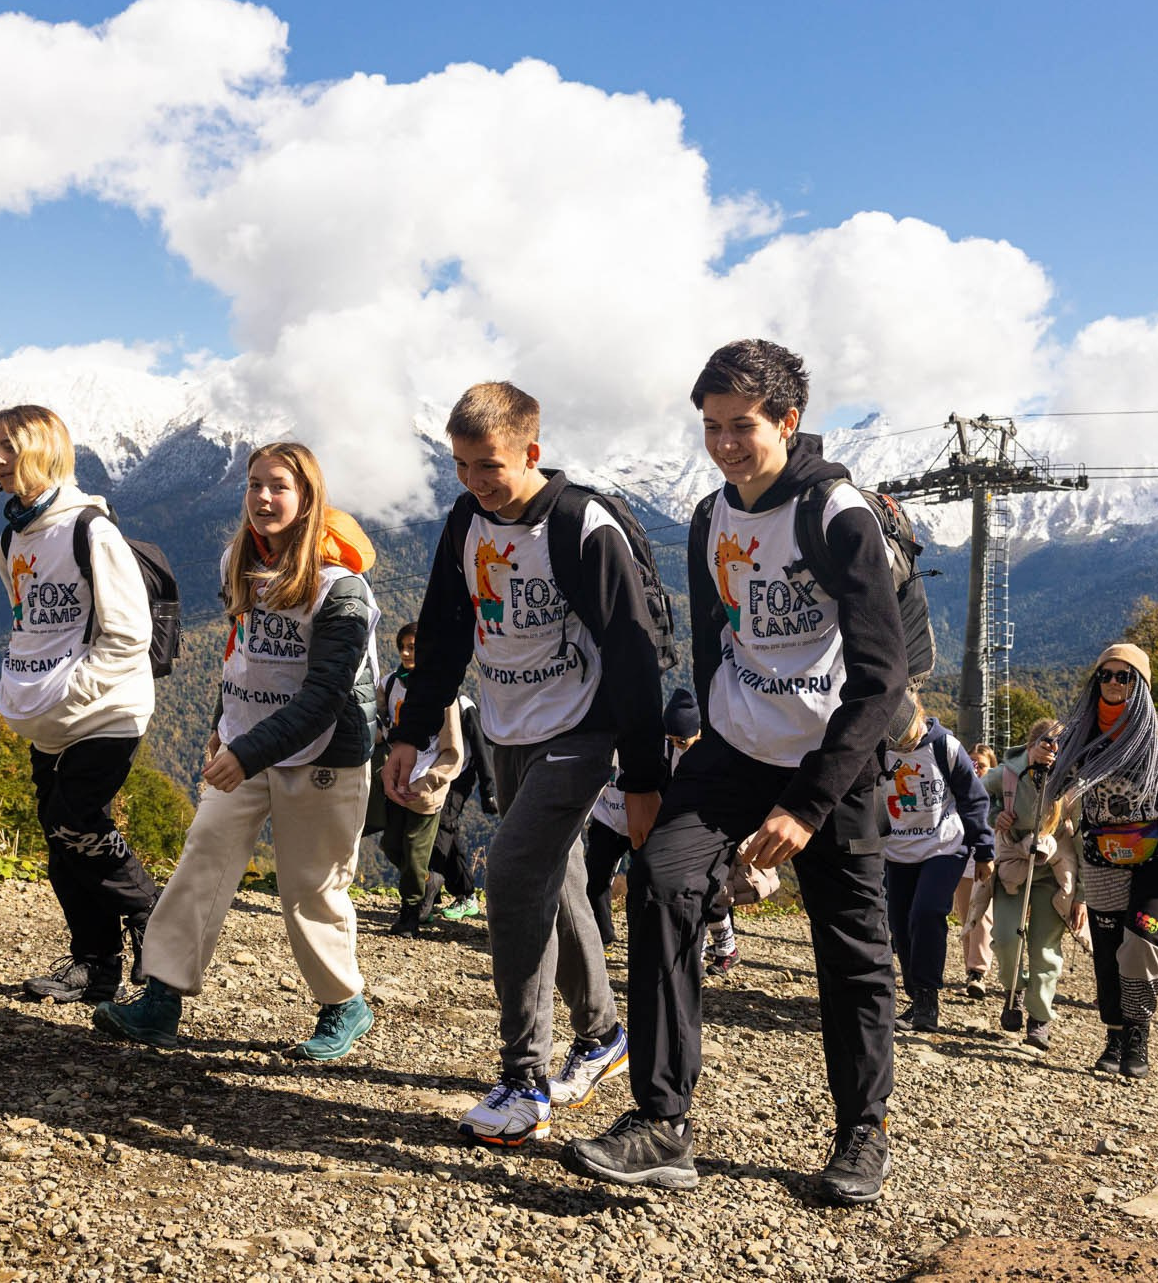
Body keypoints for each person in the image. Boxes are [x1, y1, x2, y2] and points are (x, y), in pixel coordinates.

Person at [564, 339, 907, 1206]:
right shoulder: (710, 517)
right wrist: (714, 732)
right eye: (710, 426)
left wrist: (808, 801)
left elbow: (881, 680)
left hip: (836, 762)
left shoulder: (838, 518)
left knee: (851, 949)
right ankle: (661, 1122)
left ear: (788, 422)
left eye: (741, 426)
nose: (723, 443)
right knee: (661, 882)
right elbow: (717, 637)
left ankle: (861, 1132)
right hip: (732, 751)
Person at [385, 381, 668, 1147]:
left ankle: (523, 1078)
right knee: (559, 875)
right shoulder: (466, 519)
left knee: (511, 875)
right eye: (461, 466)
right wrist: (411, 730)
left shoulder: (582, 526)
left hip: (581, 729)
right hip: (507, 727)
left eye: (489, 465)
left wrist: (643, 776)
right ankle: (605, 1031)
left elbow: (637, 656)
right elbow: (444, 628)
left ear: (531, 452)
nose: (475, 481)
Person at [90, 444, 382, 1059]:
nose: (264, 499)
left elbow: (325, 696)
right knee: (204, 856)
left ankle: (343, 1004)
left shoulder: (341, 589)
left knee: (310, 886)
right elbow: (241, 654)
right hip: (248, 745)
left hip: (326, 755)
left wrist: (246, 749)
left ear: (307, 499)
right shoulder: (239, 560)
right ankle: (162, 998)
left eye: (279, 486)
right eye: (254, 485)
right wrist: (224, 725)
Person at [0, 405, 159, 1004]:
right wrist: (26, 687)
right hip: (47, 717)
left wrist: (75, 690)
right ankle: (95, 967)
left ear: (47, 450)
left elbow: (128, 634)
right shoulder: (12, 535)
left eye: (11, 448)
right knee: (59, 838)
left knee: (74, 819)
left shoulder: (90, 530)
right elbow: (28, 625)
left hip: (107, 710)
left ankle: (150, 909)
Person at [1038, 643, 1158, 1079]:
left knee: (1141, 945)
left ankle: (1139, 1033)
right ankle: (1115, 1036)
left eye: (1125, 676)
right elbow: (1051, 781)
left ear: (1142, 684)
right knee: (1109, 951)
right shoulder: (1080, 733)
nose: (1114, 683)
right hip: (1102, 855)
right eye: (1107, 675)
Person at [878, 694, 993, 1031]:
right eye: (896, 739)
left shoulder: (946, 746)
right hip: (897, 849)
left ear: (920, 716)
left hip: (945, 844)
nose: (905, 743)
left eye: (909, 735)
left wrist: (983, 849)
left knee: (926, 912)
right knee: (900, 925)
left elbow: (974, 800)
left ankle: (927, 1000)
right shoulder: (879, 748)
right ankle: (915, 997)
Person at [982, 718, 1081, 1050]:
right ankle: (1014, 990)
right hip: (1014, 866)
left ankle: (1039, 1018)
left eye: (1059, 746)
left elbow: (1082, 836)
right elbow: (976, 795)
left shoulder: (1071, 780)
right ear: (1031, 745)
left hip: (1052, 871)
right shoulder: (1009, 774)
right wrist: (995, 815)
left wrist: (1081, 893)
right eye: (1046, 744)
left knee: (1045, 947)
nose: (1052, 752)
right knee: (1007, 939)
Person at [585, 689, 701, 948]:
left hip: (646, 822)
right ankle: (603, 938)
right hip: (607, 821)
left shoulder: (657, 745)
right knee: (595, 880)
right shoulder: (599, 745)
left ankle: (644, 940)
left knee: (642, 886)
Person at [377, 623, 466, 934]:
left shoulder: (443, 695)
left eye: (413, 646)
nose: (405, 652)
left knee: (415, 850)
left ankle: (410, 913)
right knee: (391, 844)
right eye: (403, 645)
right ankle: (430, 880)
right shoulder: (390, 685)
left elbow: (453, 750)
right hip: (394, 780)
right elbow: (381, 726)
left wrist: (429, 781)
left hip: (424, 788)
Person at [424, 694, 493, 924]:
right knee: (446, 831)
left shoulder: (463, 705)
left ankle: (428, 895)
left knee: (443, 825)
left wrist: (489, 789)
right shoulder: (418, 692)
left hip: (459, 777)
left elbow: (481, 747)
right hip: (432, 776)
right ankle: (464, 893)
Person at [953, 742, 1000, 997]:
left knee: (982, 917)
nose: (975, 769)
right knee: (965, 917)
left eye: (981, 765)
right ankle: (969, 971)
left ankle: (978, 971)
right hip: (962, 861)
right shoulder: (959, 792)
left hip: (988, 861)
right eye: (971, 764)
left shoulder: (998, 796)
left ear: (991, 768)